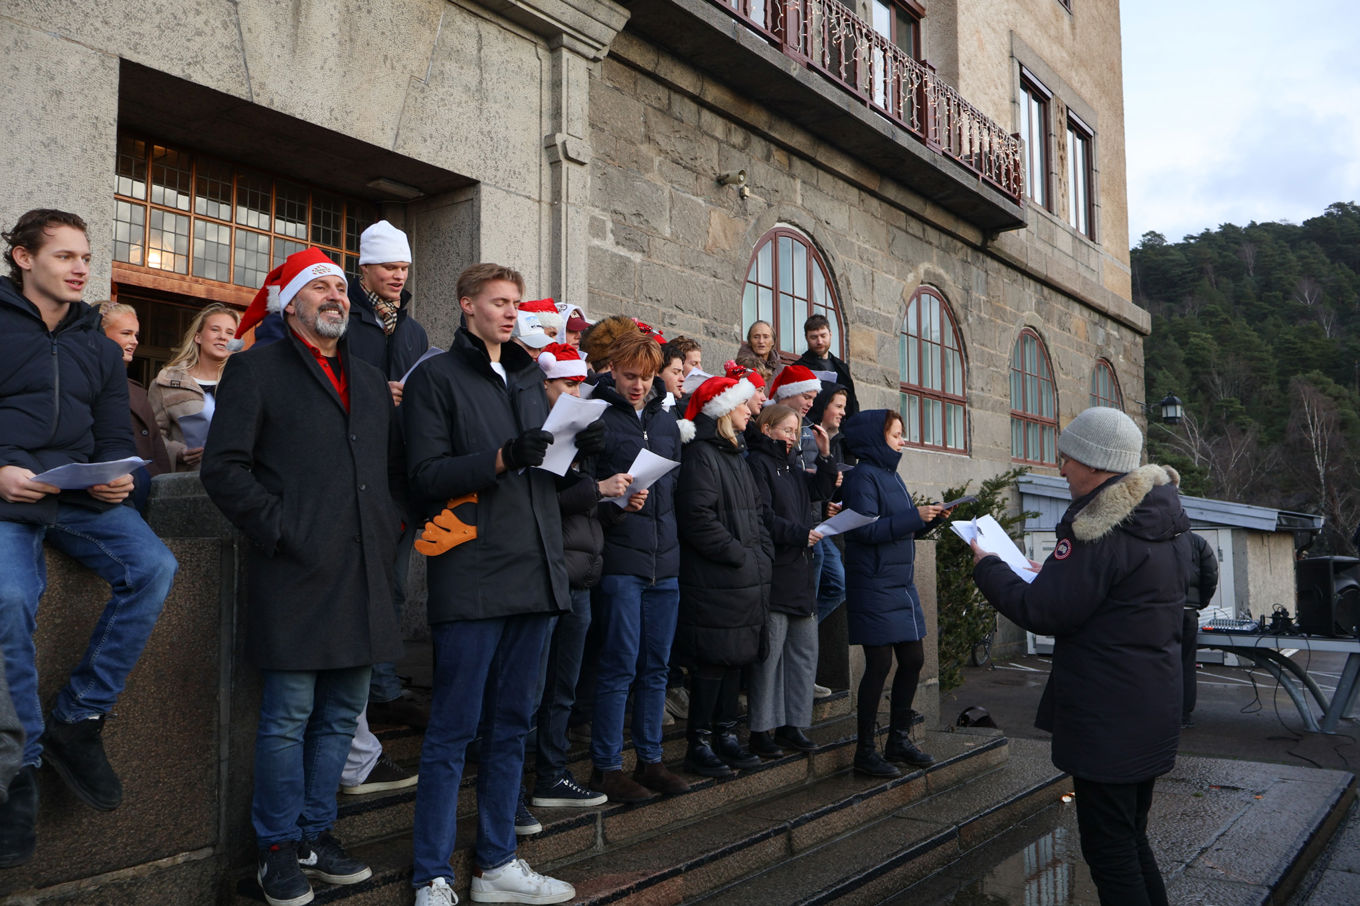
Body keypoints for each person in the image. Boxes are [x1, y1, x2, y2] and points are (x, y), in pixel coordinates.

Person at [200, 247, 404, 906]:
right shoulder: (255, 368)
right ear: (291, 304)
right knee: (288, 718)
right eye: (321, 288)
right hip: (294, 571)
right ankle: (278, 848)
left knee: (342, 715)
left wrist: (386, 524)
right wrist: (284, 529)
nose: (335, 298)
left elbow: (388, 467)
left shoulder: (370, 377)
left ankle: (318, 833)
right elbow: (223, 468)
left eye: (341, 289)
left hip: (363, 572)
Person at [0, 209, 177, 867]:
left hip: (78, 497)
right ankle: (17, 765)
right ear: (23, 258)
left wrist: (115, 481)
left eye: (85, 256)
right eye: (64, 256)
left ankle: (80, 718)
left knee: (155, 567)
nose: (80, 268)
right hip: (8, 498)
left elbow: (111, 436)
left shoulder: (99, 347)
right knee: (11, 600)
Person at [403, 263, 575, 906]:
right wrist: (502, 458)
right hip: (473, 575)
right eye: (497, 302)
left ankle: (497, 863)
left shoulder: (531, 376)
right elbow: (423, 475)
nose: (509, 312)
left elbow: (548, 475)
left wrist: (589, 452)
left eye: (514, 303)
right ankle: (432, 874)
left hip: (535, 572)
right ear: (466, 304)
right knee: (452, 730)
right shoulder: (437, 377)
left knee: (512, 725)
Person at [970, 406, 1187, 906]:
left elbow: (1044, 611)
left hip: (1108, 713)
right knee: (1132, 837)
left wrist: (991, 568)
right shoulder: (1163, 521)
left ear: (1094, 462)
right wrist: (1053, 574)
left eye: (1067, 457)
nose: (1061, 467)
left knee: (1110, 852)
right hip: (1151, 703)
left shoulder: (1099, 531)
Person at [530, 343, 642, 810]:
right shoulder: (536, 433)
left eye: (580, 383)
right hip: (544, 571)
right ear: (545, 387)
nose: (576, 391)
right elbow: (539, 504)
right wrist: (595, 488)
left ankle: (552, 773)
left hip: (582, 573)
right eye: (566, 385)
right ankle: (524, 774)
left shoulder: (584, 435)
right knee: (532, 685)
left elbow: (588, 516)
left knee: (563, 687)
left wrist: (618, 504)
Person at [588, 329, 688, 801]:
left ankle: (650, 760)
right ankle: (606, 766)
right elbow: (581, 494)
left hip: (664, 563)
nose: (639, 385)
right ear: (611, 369)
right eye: (630, 376)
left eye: (647, 378)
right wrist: (615, 505)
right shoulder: (599, 419)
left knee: (656, 668)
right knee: (619, 665)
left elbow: (676, 490)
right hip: (621, 560)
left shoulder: (667, 422)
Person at [673, 376, 773, 776]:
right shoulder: (702, 456)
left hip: (742, 577)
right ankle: (699, 743)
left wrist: (760, 555)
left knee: (735, 659)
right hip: (718, 579)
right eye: (743, 405)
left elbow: (757, 515)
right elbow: (697, 518)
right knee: (713, 662)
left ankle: (725, 735)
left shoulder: (734, 454)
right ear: (722, 412)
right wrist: (741, 556)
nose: (751, 412)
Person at [840, 409, 944, 778]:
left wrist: (927, 520)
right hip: (873, 582)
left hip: (898, 583)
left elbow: (897, 529)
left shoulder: (890, 475)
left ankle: (898, 739)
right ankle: (865, 751)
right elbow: (863, 530)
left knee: (913, 658)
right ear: (874, 437)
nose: (902, 441)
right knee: (880, 664)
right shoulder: (862, 477)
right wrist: (916, 516)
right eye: (896, 434)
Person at [745, 404, 835, 758]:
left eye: (795, 431)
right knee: (770, 659)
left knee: (802, 653)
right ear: (766, 429)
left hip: (800, 569)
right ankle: (760, 730)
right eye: (786, 430)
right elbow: (762, 517)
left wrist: (826, 455)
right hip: (777, 570)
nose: (792, 436)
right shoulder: (758, 464)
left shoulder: (793, 464)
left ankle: (792, 725)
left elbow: (819, 491)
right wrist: (800, 534)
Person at [149, 302, 240, 471]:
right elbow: (152, 435)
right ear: (198, 337)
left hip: (236, 482)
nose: (223, 337)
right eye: (215, 329)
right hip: (186, 485)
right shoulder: (166, 382)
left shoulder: (244, 383)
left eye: (230, 333)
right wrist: (178, 452)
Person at [99, 302, 172, 513]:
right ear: (99, 334)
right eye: (126, 333)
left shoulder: (138, 391)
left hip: (148, 492)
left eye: (136, 335)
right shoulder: (85, 383)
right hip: (111, 493)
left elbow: (157, 447)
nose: (134, 341)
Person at [808, 384, 851, 626]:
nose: (843, 413)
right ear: (823, 406)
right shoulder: (807, 435)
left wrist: (836, 505)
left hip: (824, 528)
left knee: (839, 586)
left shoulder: (837, 441)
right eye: (838, 406)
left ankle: (806, 631)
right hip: (810, 526)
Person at [1177, 528, 1218, 729]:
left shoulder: (1155, 538)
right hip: (1188, 612)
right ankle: (1184, 715)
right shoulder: (1197, 542)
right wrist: (1200, 602)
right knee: (1186, 663)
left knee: (1157, 664)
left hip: (1159, 612)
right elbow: (1211, 575)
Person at [794, 314, 858, 417]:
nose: (819, 341)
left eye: (823, 336)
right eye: (814, 337)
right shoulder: (798, 368)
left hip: (841, 426)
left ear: (830, 334)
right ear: (806, 338)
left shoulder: (842, 367)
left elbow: (852, 402)